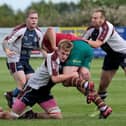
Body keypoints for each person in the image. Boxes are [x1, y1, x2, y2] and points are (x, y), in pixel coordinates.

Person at [0, 40, 112, 119]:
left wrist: (82, 80)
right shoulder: (52, 58)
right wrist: (74, 76)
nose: (64, 56)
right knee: (12, 116)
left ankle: (31, 115)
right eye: (63, 53)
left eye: (67, 54)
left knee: (57, 116)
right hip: (31, 90)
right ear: (57, 50)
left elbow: (69, 78)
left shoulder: (64, 61)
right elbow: (55, 79)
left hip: (44, 92)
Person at [2, 10, 56, 108]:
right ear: (27, 19)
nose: (34, 20)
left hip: (26, 61)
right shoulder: (20, 30)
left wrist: (49, 58)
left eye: (36, 18)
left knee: (32, 82)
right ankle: (15, 107)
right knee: (22, 82)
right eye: (32, 18)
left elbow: (41, 48)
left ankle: (11, 95)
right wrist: (7, 50)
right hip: (14, 60)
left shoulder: (38, 33)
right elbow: (5, 41)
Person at [82, 9, 126, 115]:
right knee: (102, 86)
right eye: (92, 17)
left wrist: (83, 41)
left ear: (103, 19)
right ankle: (102, 109)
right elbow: (82, 44)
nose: (93, 20)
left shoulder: (107, 27)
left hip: (124, 53)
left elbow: (97, 44)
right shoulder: (91, 29)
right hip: (111, 56)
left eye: (96, 18)